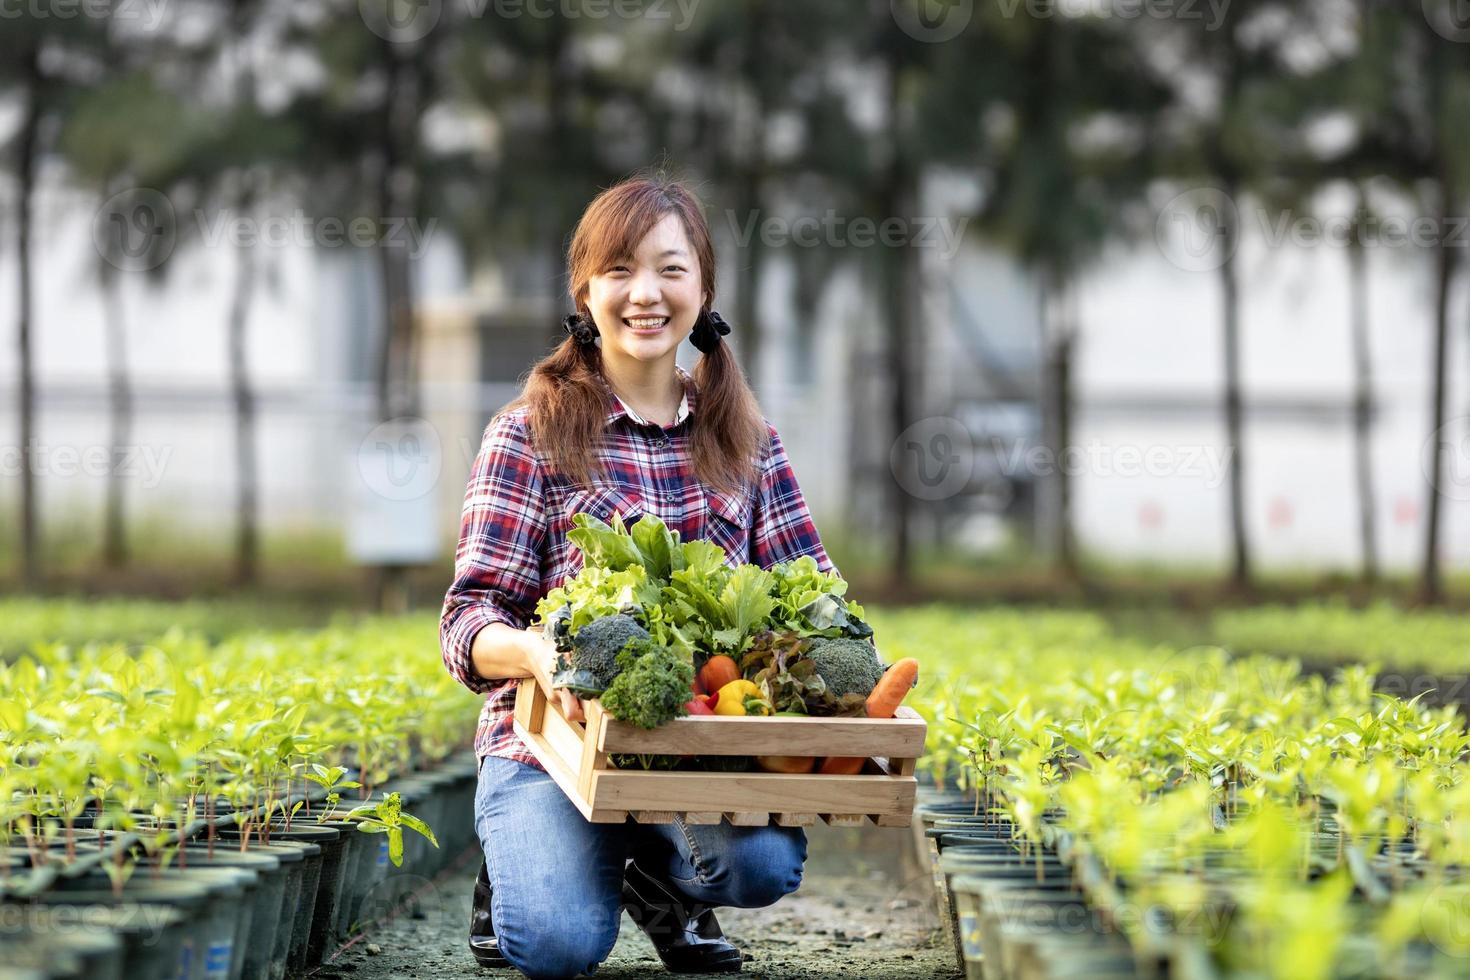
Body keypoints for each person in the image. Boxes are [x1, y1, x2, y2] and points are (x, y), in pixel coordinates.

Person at [439, 173, 843, 980]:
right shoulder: (530, 434)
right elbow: (468, 621)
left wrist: (839, 670)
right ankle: (523, 864)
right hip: (551, 749)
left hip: (701, 750)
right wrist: (539, 656)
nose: (645, 294)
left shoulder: (749, 442)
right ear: (585, 291)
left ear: (703, 288)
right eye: (619, 270)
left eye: (669, 268)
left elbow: (816, 597)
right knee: (556, 946)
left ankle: (659, 878)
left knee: (763, 866)